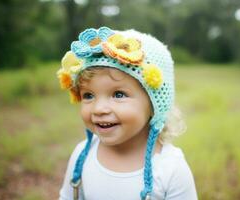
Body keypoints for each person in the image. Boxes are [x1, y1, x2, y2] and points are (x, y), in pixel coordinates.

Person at [57, 27, 197, 200]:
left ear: (155, 105)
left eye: (118, 94)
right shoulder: (82, 155)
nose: (98, 108)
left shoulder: (171, 170)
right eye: (88, 95)